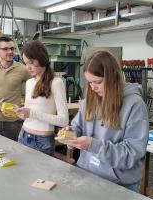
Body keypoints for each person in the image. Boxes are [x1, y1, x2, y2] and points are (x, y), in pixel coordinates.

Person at [59, 51, 148, 192]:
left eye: (98, 82)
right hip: (87, 173)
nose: (93, 88)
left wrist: (93, 145)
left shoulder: (134, 104)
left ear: (113, 78)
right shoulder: (90, 98)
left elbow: (132, 154)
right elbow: (77, 126)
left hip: (119, 183)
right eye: (89, 82)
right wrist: (71, 134)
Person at [15, 40, 68, 155]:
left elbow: (64, 120)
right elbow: (28, 115)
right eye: (25, 63)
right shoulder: (29, 82)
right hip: (23, 135)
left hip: (42, 141)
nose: (27, 67)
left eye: (31, 62)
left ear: (41, 58)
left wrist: (31, 113)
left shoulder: (56, 83)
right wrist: (20, 113)